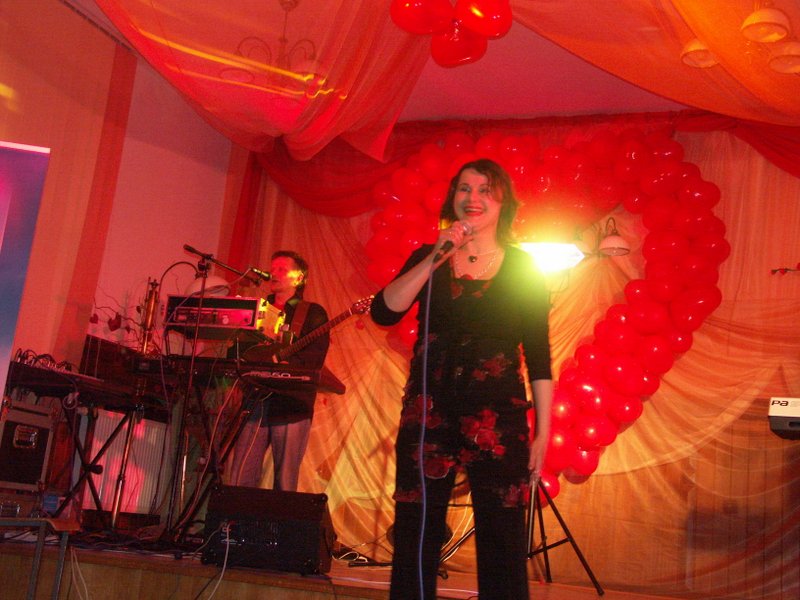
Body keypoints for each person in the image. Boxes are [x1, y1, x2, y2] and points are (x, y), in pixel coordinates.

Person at [370, 158, 553, 599]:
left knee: (502, 535)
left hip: (498, 417)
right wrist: (437, 255)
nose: (473, 198)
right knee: (416, 530)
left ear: (503, 203)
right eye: (465, 189)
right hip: (430, 414)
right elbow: (384, 311)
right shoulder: (430, 256)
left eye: (485, 190)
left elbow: (539, 355)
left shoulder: (524, 267)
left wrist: (544, 431)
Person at [229, 250, 330, 492]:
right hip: (255, 400)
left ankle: (277, 518)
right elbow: (236, 350)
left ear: (299, 278)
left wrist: (286, 363)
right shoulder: (258, 309)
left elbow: (314, 357)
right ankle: (239, 517)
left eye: (282, 269)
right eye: (272, 269)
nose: (273, 273)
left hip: (291, 404)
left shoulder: (312, 312)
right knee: (240, 477)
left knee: (285, 480)